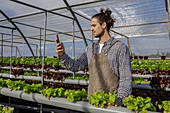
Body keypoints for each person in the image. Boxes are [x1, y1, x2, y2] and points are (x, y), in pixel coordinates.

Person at [56, 8, 132, 106]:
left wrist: (119, 100)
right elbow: (76, 66)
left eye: (94, 25)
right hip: (92, 102)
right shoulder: (90, 48)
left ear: (103, 25)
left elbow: (126, 79)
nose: (91, 29)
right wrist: (62, 55)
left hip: (111, 104)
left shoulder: (119, 47)